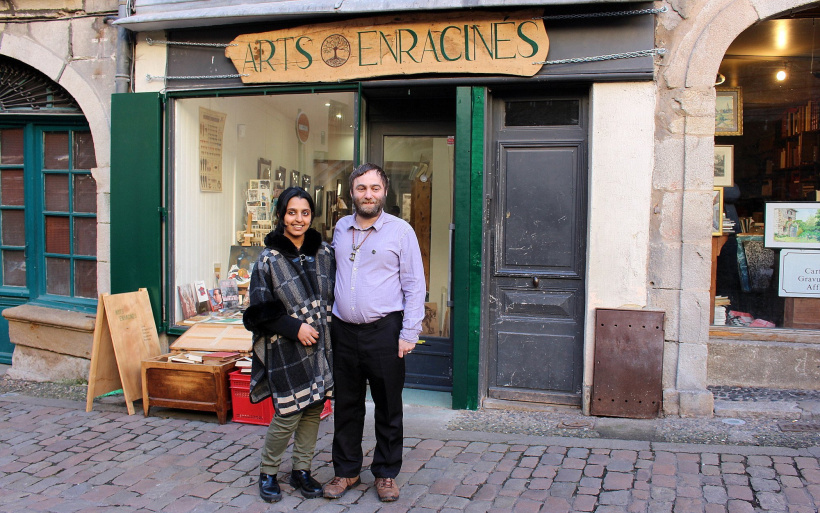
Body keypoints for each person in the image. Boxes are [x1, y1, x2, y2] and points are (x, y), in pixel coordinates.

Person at [323, 163, 426, 503]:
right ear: (351, 192)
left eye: (375, 188)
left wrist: (409, 332)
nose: (368, 194)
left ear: (385, 192)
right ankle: (347, 471)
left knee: (387, 405)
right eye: (361, 188)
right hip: (343, 330)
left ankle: (385, 473)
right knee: (347, 405)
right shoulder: (340, 228)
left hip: (384, 331)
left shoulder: (400, 231)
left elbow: (414, 285)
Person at [242, 186, 335, 503]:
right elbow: (258, 312)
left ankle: (302, 471)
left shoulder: (324, 254)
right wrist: (295, 328)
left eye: (305, 212)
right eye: (292, 212)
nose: (299, 219)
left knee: (313, 409)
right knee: (288, 412)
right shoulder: (268, 260)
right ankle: (267, 473)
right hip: (287, 348)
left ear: (311, 215)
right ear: (281, 215)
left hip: (322, 346)